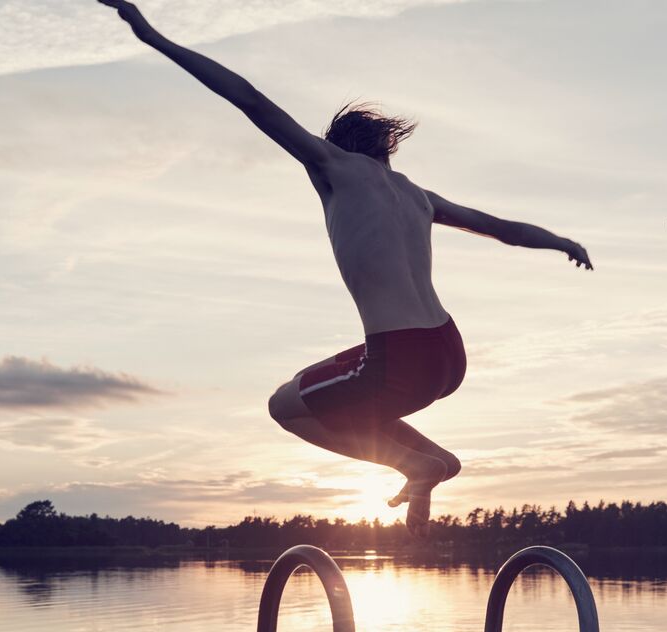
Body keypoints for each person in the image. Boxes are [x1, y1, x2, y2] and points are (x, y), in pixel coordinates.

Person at [98, 0, 592, 533]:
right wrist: (561, 241)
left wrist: (152, 36)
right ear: (387, 151)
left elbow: (248, 99)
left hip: (401, 356)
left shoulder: (331, 166)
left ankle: (416, 464)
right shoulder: (418, 195)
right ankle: (435, 465)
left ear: (333, 147)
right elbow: (502, 228)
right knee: (327, 387)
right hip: (448, 351)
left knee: (285, 406)